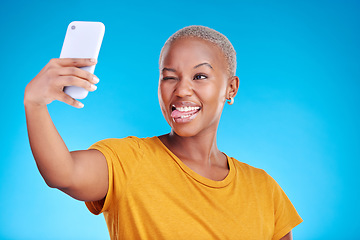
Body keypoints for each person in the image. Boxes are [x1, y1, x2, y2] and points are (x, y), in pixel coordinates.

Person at [24, 25, 302, 239]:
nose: (181, 90)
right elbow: (63, 173)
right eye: (169, 77)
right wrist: (35, 104)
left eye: (200, 76)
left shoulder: (264, 189)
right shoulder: (130, 161)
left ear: (231, 88)